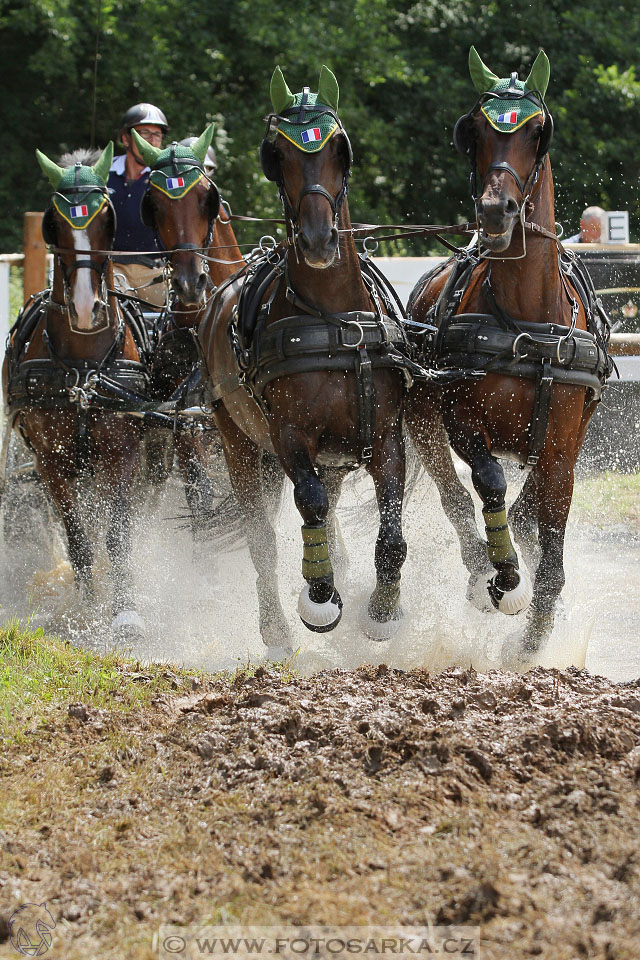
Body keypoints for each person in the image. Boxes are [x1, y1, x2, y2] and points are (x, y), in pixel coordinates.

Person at [108, 102, 169, 307]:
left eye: (157, 135)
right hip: (112, 268)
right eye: (144, 133)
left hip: (156, 271)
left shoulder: (167, 177)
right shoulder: (102, 173)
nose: (152, 140)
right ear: (125, 139)